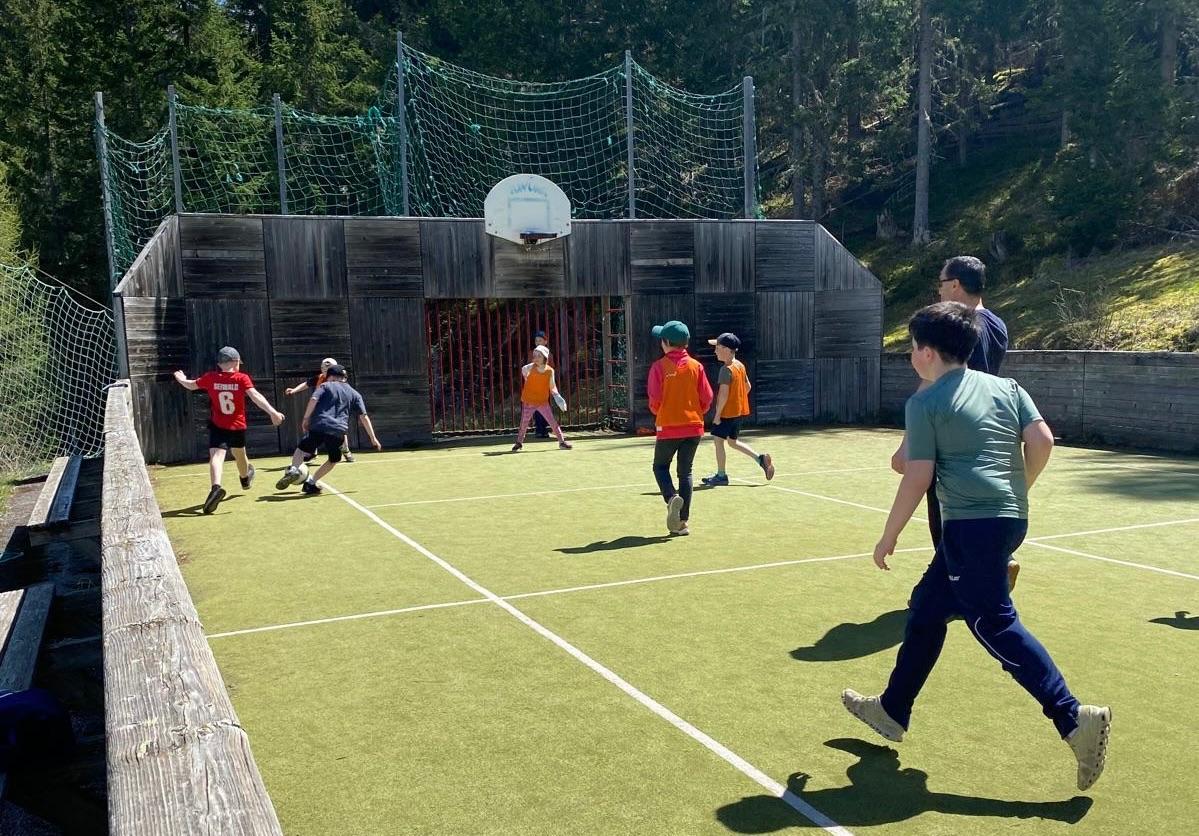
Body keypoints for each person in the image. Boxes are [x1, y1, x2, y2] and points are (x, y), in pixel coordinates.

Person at [842, 301, 1111, 792]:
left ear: (926, 352)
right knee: (927, 608)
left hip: (970, 528)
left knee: (993, 624)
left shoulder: (925, 403)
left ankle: (1073, 718)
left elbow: (917, 476)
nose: (910, 356)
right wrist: (1015, 490)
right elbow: (1042, 441)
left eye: (911, 348)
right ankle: (892, 710)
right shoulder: (1007, 387)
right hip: (1009, 520)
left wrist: (888, 535)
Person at [891, 255, 1018, 588]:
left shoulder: (955, 329)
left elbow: (935, 382)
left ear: (956, 285)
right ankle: (995, 563)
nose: (939, 291)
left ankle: (952, 585)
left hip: (949, 429)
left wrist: (906, 445)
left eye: (942, 284)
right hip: (988, 429)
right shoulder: (998, 325)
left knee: (945, 511)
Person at [173, 346, 285, 514]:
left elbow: (191, 385)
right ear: (235, 362)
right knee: (240, 454)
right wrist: (273, 412)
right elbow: (256, 396)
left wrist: (181, 378)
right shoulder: (241, 378)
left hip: (219, 425)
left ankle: (216, 488)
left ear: (220, 364)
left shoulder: (211, 378)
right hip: (237, 426)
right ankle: (245, 479)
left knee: (216, 456)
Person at [647, 320, 713, 536]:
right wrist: (696, 412)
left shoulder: (659, 367)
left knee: (660, 467)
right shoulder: (697, 366)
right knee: (686, 472)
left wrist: (663, 412)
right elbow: (707, 397)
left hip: (668, 426)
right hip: (694, 427)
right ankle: (682, 522)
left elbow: (654, 400)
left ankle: (671, 498)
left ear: (667, 343)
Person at [276, 365, 381, 495]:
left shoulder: (325, 386)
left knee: (301, 450)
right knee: (333, 459)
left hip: (320, 425)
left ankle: (294, 469)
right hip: (338, 431)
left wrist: (306, 418)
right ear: (345, 378)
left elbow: (313, 399)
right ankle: (311, 483)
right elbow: (363, 417)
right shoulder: (355, 394)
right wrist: (373, 438)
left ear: (329, 376)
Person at [700, 332, 774, 485]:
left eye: (718, 348)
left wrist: (717, 415)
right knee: (732, 442)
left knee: (718, 441)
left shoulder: (726, 369)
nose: (715, 351)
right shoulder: (740, 365)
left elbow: (723, 395)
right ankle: (760, 459)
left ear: (727, 350)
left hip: (727, 414)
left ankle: (721, 475)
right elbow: (748, 387)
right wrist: (737, 400)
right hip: (738, 413)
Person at [284, 357, 355, 463]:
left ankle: (346, 450)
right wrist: (294, 390)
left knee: (339, 431)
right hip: (321, 410)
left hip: (336, 410)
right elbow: (306, 384)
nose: (326, 370)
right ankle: (312, 452)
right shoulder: (319, 378)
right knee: (313, 430)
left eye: (328, 368)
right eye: (324, 368)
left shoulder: (340, 381)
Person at [512, 345, 572, 451]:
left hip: (542, 402)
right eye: (534, 356)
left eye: (539, 356)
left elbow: (552, 386)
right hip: (529, 401)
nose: (536, 358)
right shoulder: (530, 368)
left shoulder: (550, 371)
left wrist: (558, 397)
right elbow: (524, 372)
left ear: (545, 357)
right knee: (524, 423)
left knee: (552, 422)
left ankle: (562, 442)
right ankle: (519, 442)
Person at [531, 330, 552, 439]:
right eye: (536, 341)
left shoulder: (549, 355)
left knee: (546, 407)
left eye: (540, 340)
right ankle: (539, 429)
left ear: (545, 342)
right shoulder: (532, 354)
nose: (538, 342)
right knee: (537, 408)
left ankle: (544, 429)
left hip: (545, 385)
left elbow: (551, 368)